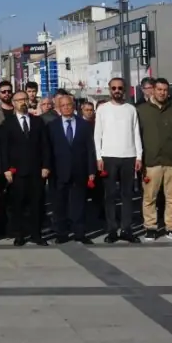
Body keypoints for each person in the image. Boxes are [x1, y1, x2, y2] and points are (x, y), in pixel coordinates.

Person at [93, 77, 142, 243]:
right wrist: (98, 157)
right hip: (108, 157)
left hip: (129, 156)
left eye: (120, 88)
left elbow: (136, 134)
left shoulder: (131, 109)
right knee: (110, 195)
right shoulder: (102, 109)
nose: (117, 91)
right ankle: (112, 229)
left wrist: (139, 156)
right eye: (113, 88)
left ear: (125, 90)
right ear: (109, 90)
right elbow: (97, 135)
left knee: (127, 195)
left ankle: (126, 229)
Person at [137, 78, 172, 242]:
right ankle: (150, 227)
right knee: (150, 197)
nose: (162, 93)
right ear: (153, 90)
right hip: (151, 161)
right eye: (159, 89)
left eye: (165, 90)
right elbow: (136, 137)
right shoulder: (141, 110)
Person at [1, 91, 51, 246]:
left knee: (37, 203)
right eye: (19, 100)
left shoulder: (37, 122)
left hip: (36, 170)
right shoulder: (7, 124)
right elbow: (4, 149)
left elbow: (45, 145)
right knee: (18, 205)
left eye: (24, 99)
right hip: (17, 172)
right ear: (14, 103)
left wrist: (46, 166)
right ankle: (20, 234)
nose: (23, 102)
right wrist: (6, 169)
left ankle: (36, 234)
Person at [47, 94, 96, 244]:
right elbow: (48, 150)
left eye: (69, 105)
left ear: (74, 106)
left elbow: (90, 150)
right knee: (59, 204)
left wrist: (91, 171)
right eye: (63, 105)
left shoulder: (84, 125)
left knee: (79, 204)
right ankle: (61, 233)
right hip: (58, 172)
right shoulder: (52, 126)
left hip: (79, 171)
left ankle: (79, 233)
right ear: (59, 108)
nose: (66, 108)